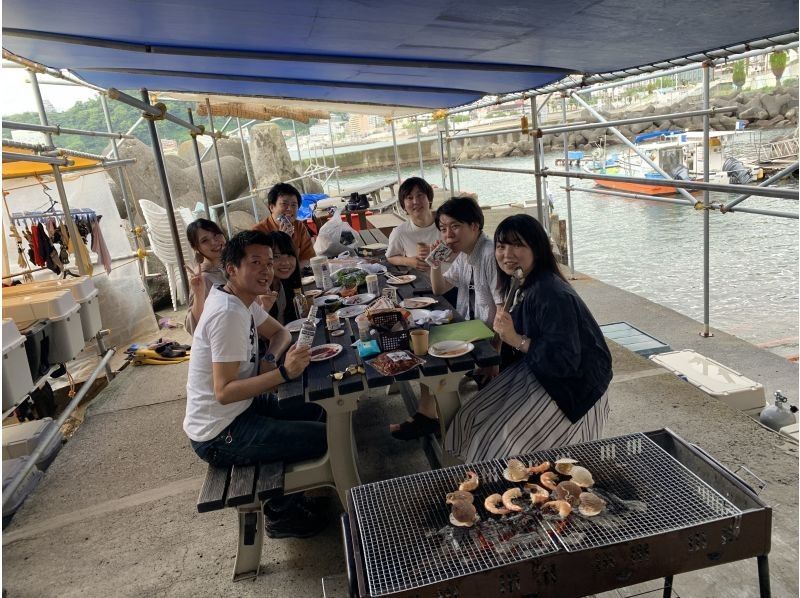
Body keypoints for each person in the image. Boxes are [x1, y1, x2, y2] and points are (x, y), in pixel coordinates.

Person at [183, 230, 328, 538]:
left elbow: (281, 334)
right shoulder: (226, 313)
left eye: (270, 262)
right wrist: (283, 373)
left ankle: (292, 495)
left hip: (240, 409)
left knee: (318, 411)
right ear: (232, 269)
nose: (266, 270)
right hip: (219, 433)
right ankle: (281, 515)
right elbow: (223, 392)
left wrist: (269, 360)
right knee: (323, 437)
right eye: (256, 262)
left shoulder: (240, 300)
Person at [444, 214, 612, 463]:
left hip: (574, 388)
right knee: (470, 415)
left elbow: (566, 361)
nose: (507, 254)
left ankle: (500, 489)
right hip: (540, 369)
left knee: (493, 440)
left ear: (538, 248)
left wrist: (515, 339)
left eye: (518, 245)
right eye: (501, 246)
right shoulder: (522, 282)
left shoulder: (552, 294)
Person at [430, 196, 502, 329]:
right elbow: (439, 289)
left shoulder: (490, 254)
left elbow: (502, 308)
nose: (448, 235)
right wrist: (435, 262)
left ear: (474, 226)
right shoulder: (464, 252)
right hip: (466, 328)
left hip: (487, 335)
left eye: (455, 226)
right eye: (443, 229)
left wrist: (494, 348)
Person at [253, 182, 315, 266]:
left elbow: (308, 259)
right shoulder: (258, 232)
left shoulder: (299, 226)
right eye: (284, 204)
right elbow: (262, 266)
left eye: (294, 205)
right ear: (272, 207)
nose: (289, 209)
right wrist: (283, 241)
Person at [184, 219, 227, 335]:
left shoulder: (233, 266)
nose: (214, 242)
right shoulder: (204, 278)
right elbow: (192, 327)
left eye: (216, 234)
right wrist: (199, 294)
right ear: (196, 248)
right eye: (205, 241)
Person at [386, 177, 439, 271]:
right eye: (410, 198)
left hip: (454, 282)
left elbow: (461, 250)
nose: (415, 202)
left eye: (420, 195)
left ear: (429, 198)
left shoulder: (446, 224)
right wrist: (409, 261)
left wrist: (433, 253)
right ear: (403, 205)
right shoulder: (399, 233)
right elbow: (390, 256)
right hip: (420, 283)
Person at [262, 231, 303, 325]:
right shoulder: (260, 293)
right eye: (276, 256)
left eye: (289, 255)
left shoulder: (286, 283)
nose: (285, 263)